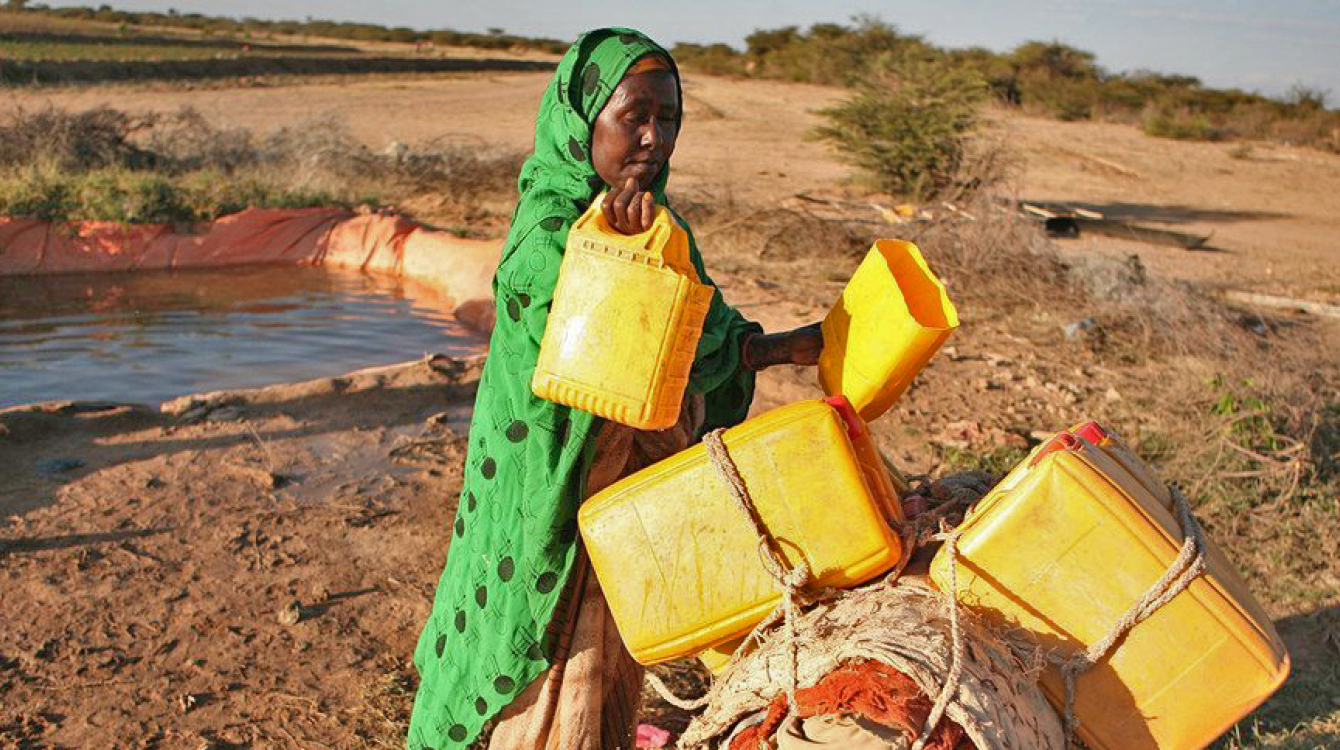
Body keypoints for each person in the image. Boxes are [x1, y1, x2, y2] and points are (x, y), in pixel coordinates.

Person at [407, 28, 823, 750]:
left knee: (611, 658)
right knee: (553, 655)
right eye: (634, 116)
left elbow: (701, 329)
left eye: (668, 119)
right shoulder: (547, 233)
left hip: (624, 498)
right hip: (552, 494)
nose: (654, 138)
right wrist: (615, 261)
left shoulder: (663, 226)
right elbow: (585, 355)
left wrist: (780, 348)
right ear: (583, 119)